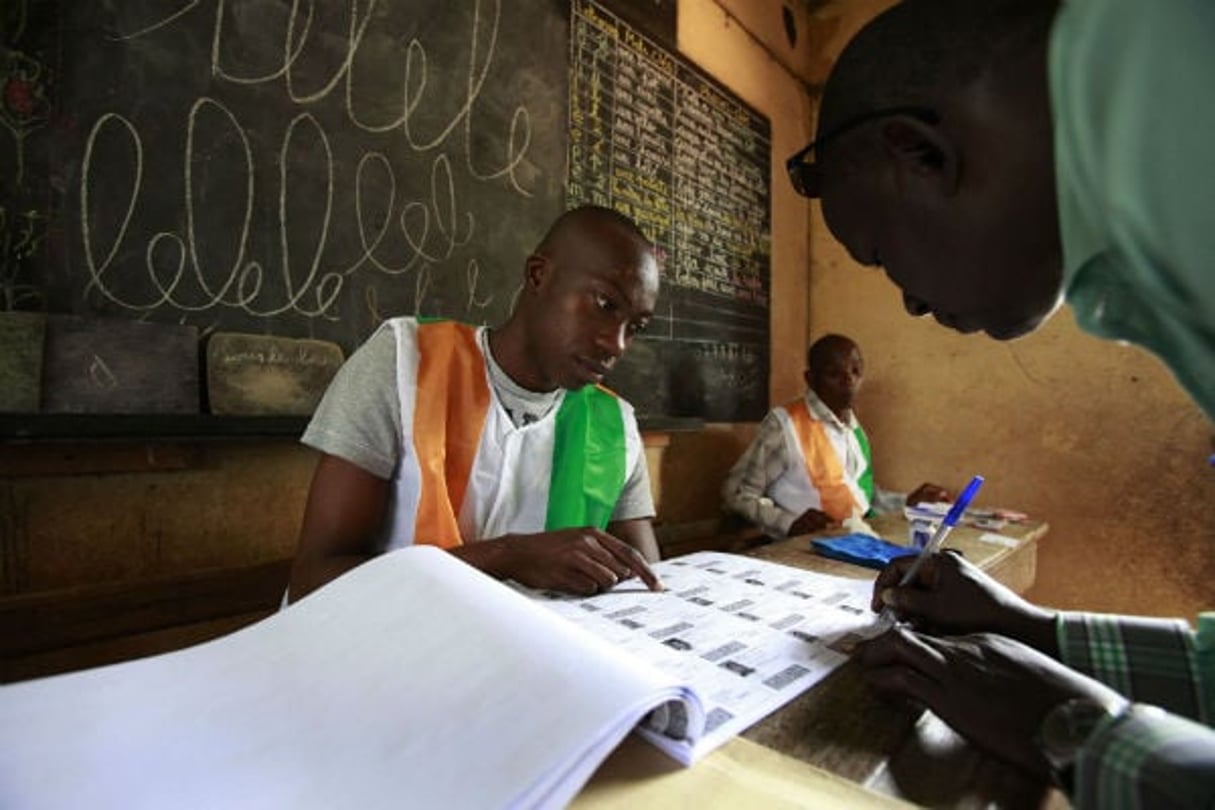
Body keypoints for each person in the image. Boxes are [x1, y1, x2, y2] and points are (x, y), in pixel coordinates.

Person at [786, 0, 1215, 806]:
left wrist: (1073, 726)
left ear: (919, 152)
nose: (908, 304)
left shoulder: (1181, 88)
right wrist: (1033, 630)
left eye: (878, 253)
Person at [287, 205, 665, 603]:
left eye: (635, 327)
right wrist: (507, 556)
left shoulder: (614, 426)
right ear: (539, 275)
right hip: (389, 649)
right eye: (604, 304)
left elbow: (646, 588)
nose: (616, 344)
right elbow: (312, 583)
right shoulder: (405, 363)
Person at [721, 333, 951, 539]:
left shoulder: (853, 429)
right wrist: (789, 523)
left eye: (855, 370)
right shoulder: (785, 424)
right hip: (802, 551)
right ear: (811, 379)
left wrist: (909, 502)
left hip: (852, 542)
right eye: (834, 373)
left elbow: (862, 498)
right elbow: (737, 494)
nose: (848, 380)